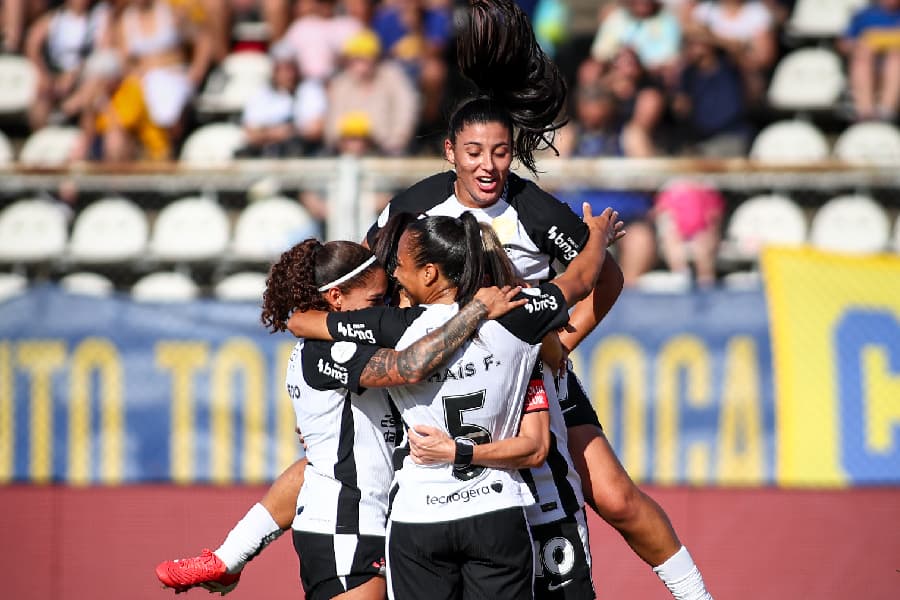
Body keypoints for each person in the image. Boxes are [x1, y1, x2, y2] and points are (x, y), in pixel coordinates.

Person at [366, 1, 714, 598]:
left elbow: (600, 278)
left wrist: (563, 342)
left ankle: (695, 593)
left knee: (613, 496)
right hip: (436, 379)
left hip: (529, 373)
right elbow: (374, 285)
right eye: (474, 153)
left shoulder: (533, 211)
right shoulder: (413, 208)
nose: (488, 166)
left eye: (500, 152)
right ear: (451, 152)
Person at [156, 236, 529, 598]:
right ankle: (228, 558)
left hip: (371, 525)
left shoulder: (343, 345)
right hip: (346, 529)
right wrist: (474, 311)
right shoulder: (325, 350)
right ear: (336, 298)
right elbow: (406, 367)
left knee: (315, 463)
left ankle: (228, 558)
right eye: (374, 300)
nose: (383, 309)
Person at [289, 206, 617, 599]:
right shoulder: (519, 311)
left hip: (419, 516)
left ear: (429, 274)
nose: (394, 275)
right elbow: (580, 280)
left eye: (402, 265)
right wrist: (597, 234)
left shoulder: (391, 326)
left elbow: (302, 322)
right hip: (497, 509)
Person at [839, 0, 900, 121]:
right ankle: (865, 113)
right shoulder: (865, 14)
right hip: (869, 65)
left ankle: (886, 112)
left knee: (895, 58)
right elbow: (844, 44)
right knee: (861, 58)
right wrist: (861, 45)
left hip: (894, 66)